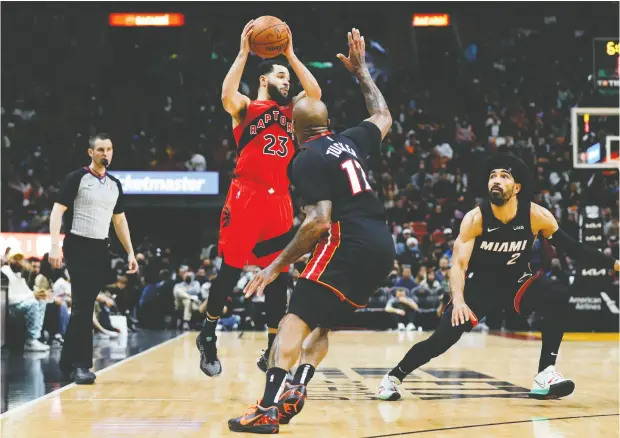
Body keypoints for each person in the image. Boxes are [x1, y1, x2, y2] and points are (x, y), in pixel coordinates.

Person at [227, 27, 394, 434]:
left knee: (292, 321)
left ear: (294, 130)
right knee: (323, 324)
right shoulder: (351, 140)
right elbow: (383, 115)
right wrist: (361, 73)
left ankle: (266, 409)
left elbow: (318, 222)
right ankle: (297, 386)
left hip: (347, 241)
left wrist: (274, 267)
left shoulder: (303, 159)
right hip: (382, 247)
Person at [377, 153, 620, 402]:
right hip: (479, 289)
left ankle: (545, 374)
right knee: (440, 342)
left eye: (504, 176)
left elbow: (574, 249)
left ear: (517, 188)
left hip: (517, 283)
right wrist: (459, 301)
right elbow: (458, 266)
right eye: (493, 176)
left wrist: (614, 263)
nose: (496, 180)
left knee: (556, 294)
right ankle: (393, 377)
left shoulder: (536, 216)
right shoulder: (476, 219)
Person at [196, 20, 322, 377]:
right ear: (264, 80)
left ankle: (270, 347)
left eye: (288, 78)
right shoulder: (246, 107)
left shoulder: (292, 112)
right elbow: (226, 94)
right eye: (281, 76)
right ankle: (207, 335)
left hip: (280, 199)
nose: (288, 82)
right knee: (230, 271)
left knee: (278, 273)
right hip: (245, 196)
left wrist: (291, 55)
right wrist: (243, 52)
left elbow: (315, 95)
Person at [49, 133, 138, 385]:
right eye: (100, 149)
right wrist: (54, 245)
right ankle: (82, 365)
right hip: (77, 244)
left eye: (109, 149)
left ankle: (66, 361)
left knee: (84, 304)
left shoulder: (114, 185)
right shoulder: (77, 178)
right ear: (91, 153)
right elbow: (57, 210)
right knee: (83, 305)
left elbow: (119, 220)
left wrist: (130, 252)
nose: (105, 153)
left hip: (101, 248)